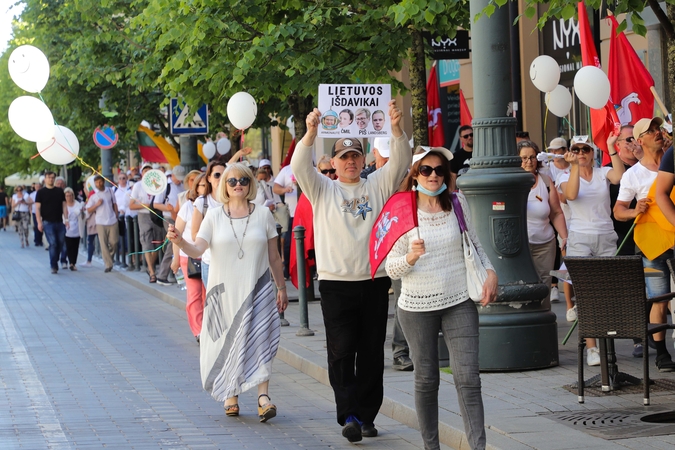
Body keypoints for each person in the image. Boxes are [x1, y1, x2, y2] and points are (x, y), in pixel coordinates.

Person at [291, 100, 411, 442]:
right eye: (344, 157)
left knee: (372, 352)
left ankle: (368, 415)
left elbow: (401, 161)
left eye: (355, 156)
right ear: (334, 162)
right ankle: (350, 415)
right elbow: (300, 165)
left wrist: (396, 129)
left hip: (373, 281)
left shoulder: (376, 184)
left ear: (363, 159)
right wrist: (311, 133)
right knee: (341, 353)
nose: (350, 162)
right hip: (335, 285)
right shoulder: (322, 189)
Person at [386, 146, 497, 450]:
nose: (433, 175)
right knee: (426, 380)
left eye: (438, 170)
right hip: (416, 306)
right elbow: (390, 266)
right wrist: (409, 257)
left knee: (468, 379)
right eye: (426, 170)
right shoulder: (402, 209)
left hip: (458, 300)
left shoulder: (457, 203)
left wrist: (491, 272)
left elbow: (475, 245)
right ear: (415, 174)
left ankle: (478, 447)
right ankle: (431, 446)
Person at [167, 162, 288, 422]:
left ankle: (263, 398)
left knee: (261, 340)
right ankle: (229, 392)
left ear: (250, 184)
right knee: (226, 341)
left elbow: (274, 257)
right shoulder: (214, 215)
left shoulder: (264, 216)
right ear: (224, 186)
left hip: (259, 289)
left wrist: (281, 287)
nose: (237, 185)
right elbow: (198, 249)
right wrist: (180, 242)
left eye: (242, 180)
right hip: (224, 291)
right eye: (231, 181)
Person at [558, 137, 625, 366]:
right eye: (576, 149)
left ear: (592, 152)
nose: (580, 153)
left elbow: (620, 177)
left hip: (605, 235)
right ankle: (592, 347)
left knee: (606, 292)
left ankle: (608, 343)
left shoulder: (601, 172)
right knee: (587, 293)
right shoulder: (564, 176)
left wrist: (611, 149)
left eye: (585, 149)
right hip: (580, 237)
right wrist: (574, 166)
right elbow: (572, 195)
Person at [614, 117, 675, 370]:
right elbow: (618, 210)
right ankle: (661, 354)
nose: (657, 133)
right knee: (659, 299)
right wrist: (634, 210)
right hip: (651, 244)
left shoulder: (671, 159)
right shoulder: (633, 175)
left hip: (673, 238)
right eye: (650, 131)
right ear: (640, 140)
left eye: (657, 128)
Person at [518, 140, 568, 309]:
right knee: (523, 283)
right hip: (521, 244)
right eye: (524, 158)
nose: (528, 161)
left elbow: (556, 212)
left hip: (545, 243)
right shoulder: (513, 182)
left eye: (532, 157)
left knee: (544, 284)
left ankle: (544, 318)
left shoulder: (546, 181)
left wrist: (564, 237)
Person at [171, 173, 207, 344]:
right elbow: (176, 234)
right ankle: (198, 330)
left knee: (208, 295)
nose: (204, 187)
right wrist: (175, 258)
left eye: (206, 184)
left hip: (210, 257)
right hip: (189, 256)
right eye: (200, 185)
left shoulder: (215, 205)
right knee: (194, 295)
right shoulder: (188, 206)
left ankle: (208, 327)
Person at [192, 161, 226, 288]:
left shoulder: (233, 200)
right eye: (217, 175)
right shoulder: (202, 202)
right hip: (210, 261)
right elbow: (195, 235)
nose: (221, 179)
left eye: (225, 175)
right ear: (209, 178)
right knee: (215, 304)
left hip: (232, 261)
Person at [130, 164, 165, 283]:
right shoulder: (137, 186)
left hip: (156, 215)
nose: (147, 173)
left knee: (157, 243)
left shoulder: (158, 185)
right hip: (143, 215)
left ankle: (152, 266)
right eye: (145, 171)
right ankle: (151, 271)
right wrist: (144, 205)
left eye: (150, 171)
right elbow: (132, 205)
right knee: (146, 242)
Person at [155, 165, 185, 285]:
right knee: (172, 245)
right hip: (168, 218)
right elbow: (156, 204)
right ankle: (162, 275)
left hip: (179, 217)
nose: (179, 180)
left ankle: (169, 274)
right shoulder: (165, 186)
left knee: (175, 244)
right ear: (172, 175)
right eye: (177, 178)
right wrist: (168, 209)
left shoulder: (181, 186)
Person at [35, 171, 68, 274]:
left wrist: (66, 219)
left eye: (53, 177)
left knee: (61, 243)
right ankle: (53, 265)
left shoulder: (59, 191)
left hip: (59, 221)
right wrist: (39, 222)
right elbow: (37, 209)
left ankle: (55, 259)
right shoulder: (41, 192)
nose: (51, 179)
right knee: (53, 243)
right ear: (45, 179)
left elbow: (64, 206)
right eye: (49, 177)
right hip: (47, 222)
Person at [87, 175, 119, 273]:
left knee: (114, 242)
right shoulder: (93, 195)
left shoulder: (110, 191)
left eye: (100, 182)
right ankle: (108, 264)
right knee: (103, 243)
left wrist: (116, 215)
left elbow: (114, 203)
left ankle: (109, 257)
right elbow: (88, 209)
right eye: (97, 183)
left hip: (112, 220)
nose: (99, 184)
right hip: (100, 221)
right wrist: (96, 204)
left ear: (103, 182)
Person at [273, 162, 299, 279]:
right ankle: (287, 270)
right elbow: (276, 188)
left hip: (308, 212)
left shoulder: (311, 167)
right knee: (288, 242)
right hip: (292, 213)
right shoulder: (287, 170)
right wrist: (285, 189)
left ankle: (312, 270)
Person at [64, 187, 83, 271]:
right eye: (67, 196)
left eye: (70, 195)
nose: (69, 197)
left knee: (75, 247)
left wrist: (82, 211)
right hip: (67, 228)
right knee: (69, 246)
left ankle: (73, 263)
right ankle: (70, 261)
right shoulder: (63, 205)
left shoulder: (77, 204)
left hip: (76, 228)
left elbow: (82, 215)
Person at [114, 172, 131, 267]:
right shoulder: (115, 189)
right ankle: (120, 252)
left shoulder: (129, 189)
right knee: (120, 234)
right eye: (120, 178)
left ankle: (127, 252)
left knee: (127, 235)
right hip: (118, 215)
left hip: (128, 215)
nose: (122, 180)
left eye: (124, 178)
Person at [30, 181, 43, 246]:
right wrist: (30, 210)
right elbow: (30, 203)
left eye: (39, 187)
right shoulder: (32, 194)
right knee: (36, 226)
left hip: (42, 212)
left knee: (42, 226)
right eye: (36, 187)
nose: (38, 188)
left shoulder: (43, 193)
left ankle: (40, 239)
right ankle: (37, 240)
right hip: (35, 212)